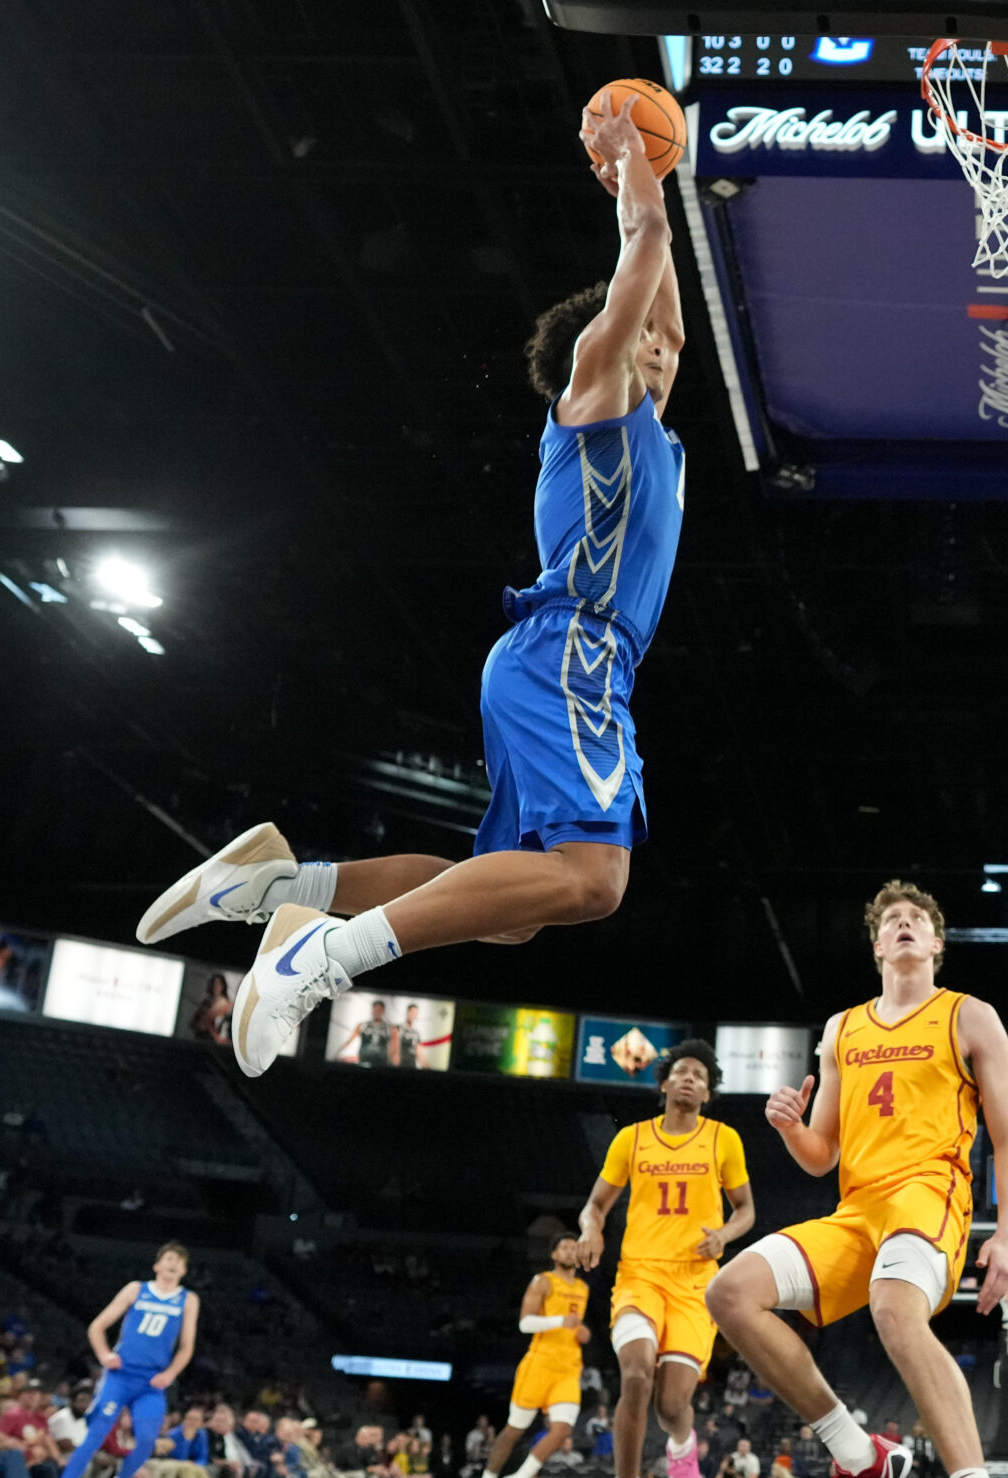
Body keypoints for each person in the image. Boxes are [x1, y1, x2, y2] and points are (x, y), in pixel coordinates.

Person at [134, 92, 689, 1076]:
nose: (661, 343)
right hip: (572, 652)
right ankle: (326, 956)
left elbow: (667, 299)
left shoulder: (647, 413)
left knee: (510, 910)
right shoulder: (596, 384)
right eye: (643, 331)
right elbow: (639, 246)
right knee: (595, 884)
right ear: (598, 344)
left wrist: (661, 171)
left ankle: (283, 886)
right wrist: (626, 165)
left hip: (558, 660)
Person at [704, 881, 1008, 1478]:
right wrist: (791, 1126)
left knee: (893, 1308)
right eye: (893, 921)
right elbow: (823, 1153)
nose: (906, 925)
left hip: (931, 1192)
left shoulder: (970, 1016)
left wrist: (1006, 1235)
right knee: (730, 1293)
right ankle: (860, 1454)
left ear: (937, 944)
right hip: (857, 1210)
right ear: (878, 945)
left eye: (919, 919)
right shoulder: (841, 1029)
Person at [578, 1038, 755, 1478]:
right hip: (639, 1277)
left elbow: (745, 1209)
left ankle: (683, 1446)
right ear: (664, 1085)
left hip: (696, 1284)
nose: (689, 1079)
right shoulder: (632, 1140)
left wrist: (725, 1234)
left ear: (708, 1093)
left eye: (700, 1076)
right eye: (681, 1071)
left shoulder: (724, 1139)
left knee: (673, 1403)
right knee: (635, 1376)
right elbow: (595, 1204)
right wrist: (592, 1229)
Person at [39, 1242, 196, 1478]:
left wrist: (171, 1373)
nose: (173, 1264)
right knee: (95, 1436)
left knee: (147, 1439)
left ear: (183, 1271)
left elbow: (186, 1347)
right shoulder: (136, 1289)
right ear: (157, 1266)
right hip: (121, 1376)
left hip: (152, 1382)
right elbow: (97, 1326)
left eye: (179, 1261)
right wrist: (104, 1355)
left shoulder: (188, 1300)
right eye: (168, 1258)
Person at [469, 1235, 593, 1478]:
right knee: (514, 1430)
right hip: (539, 1363)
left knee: (562, 1430)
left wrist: (581, 1333)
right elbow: (525, 1322)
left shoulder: (583, 1289)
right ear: (553, 1253)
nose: (569, 1250)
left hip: (568, 1366)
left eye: (574, 1247)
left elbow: (573, 1325)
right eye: (564, 1246)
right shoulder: (543, 1281)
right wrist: (558, 1322)